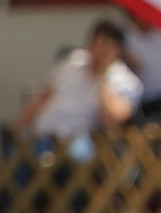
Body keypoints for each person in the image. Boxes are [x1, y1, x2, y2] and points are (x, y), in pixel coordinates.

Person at [16, 19, 143, 152]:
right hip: (44, 134)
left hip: (82, 142)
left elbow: (113, 121)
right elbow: (44, 97)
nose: (100, 50)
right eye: (97, 43)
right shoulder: (72, 65)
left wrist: (104, 78)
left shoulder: (126, 81)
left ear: (119, 51)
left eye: (106, 46)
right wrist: (20, 126)